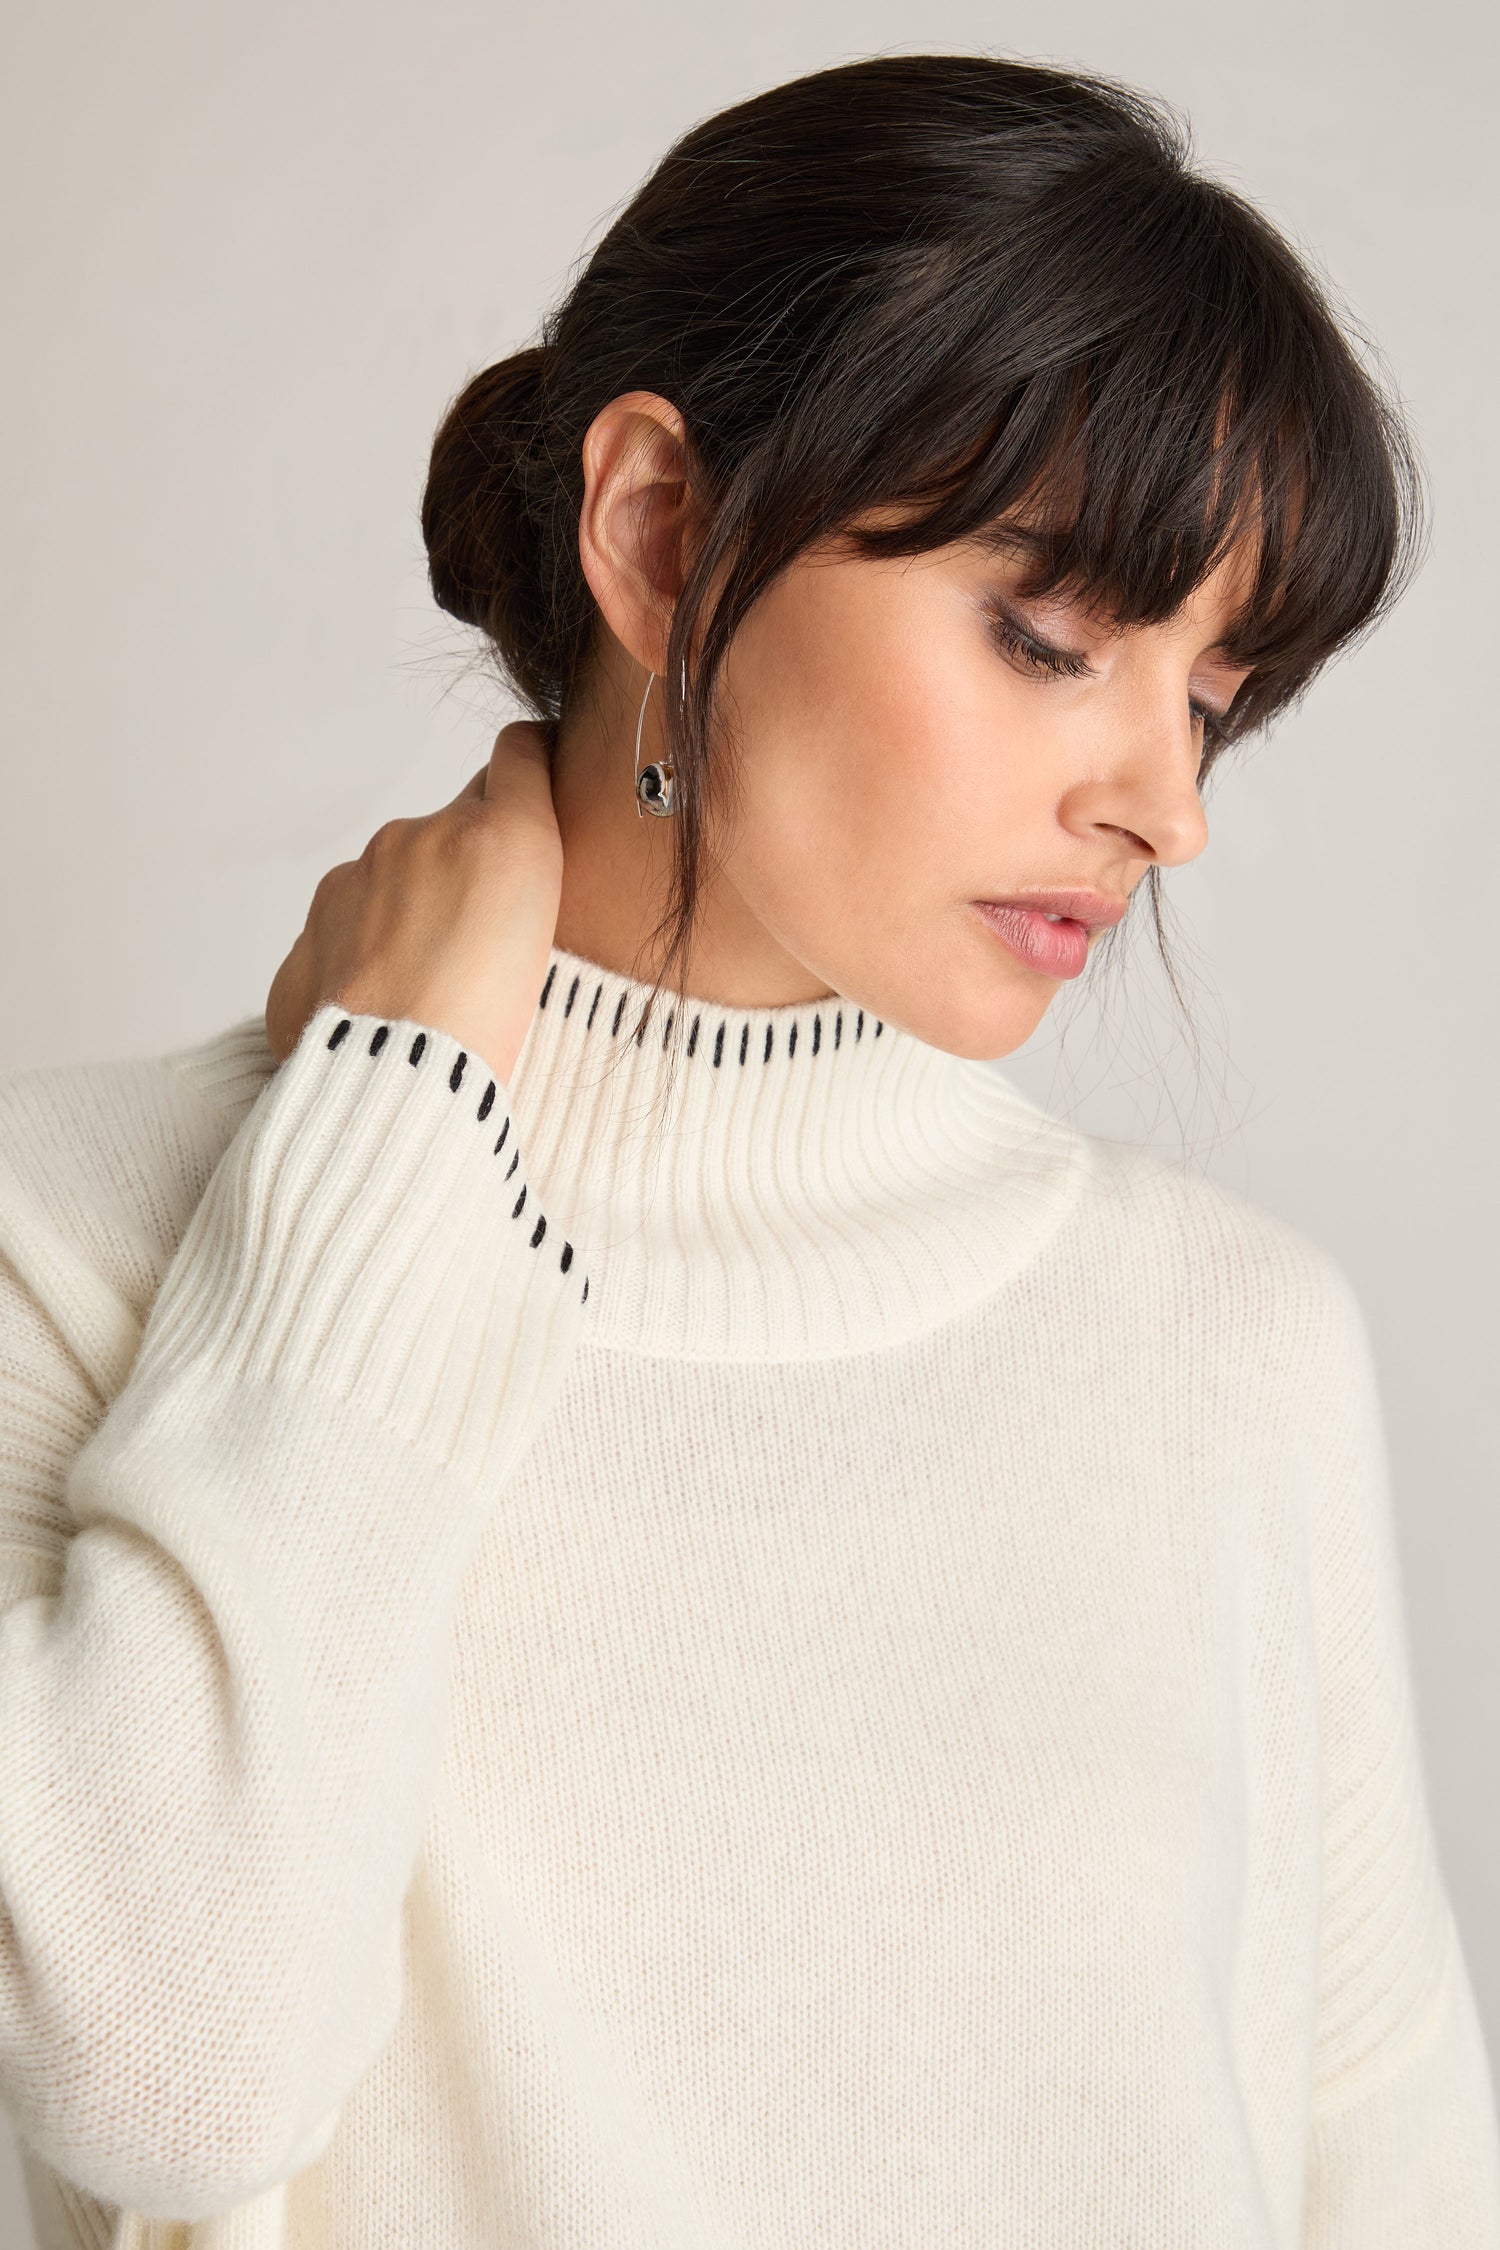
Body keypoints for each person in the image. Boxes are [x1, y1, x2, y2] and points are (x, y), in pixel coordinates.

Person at [1, 48, 1496, 2250]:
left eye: (1212, 698)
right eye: (1055, 637)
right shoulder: (78, 1240)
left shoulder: (1230, 1344)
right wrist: (394, 1125)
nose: (1166, 810)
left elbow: (1393, 2176)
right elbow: (167, 2081)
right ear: (663, 538)